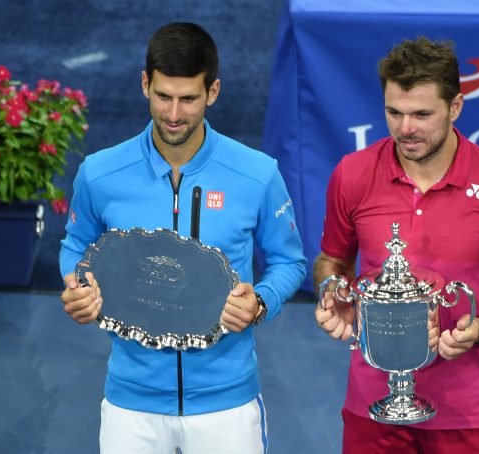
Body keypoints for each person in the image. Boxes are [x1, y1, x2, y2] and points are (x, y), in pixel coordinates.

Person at [59, 22, 306, 454]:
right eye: (163, 96)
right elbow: (75, 245)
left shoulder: (257, 173)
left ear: (213, 92)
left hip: (226, 403)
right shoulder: (99, 173)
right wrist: (77, 286)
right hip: (130, 404)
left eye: (188, 99)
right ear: (144, 85)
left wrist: (261, 301)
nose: (174, 114)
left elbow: (290, 262)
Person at [314, 36, 479, 453]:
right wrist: (334, 292)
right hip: (374, 405)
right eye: (394, 112)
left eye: (422, 114)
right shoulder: (351, 175)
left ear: (455, 107)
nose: (406, 128)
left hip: (470, 412)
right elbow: (332, 260)